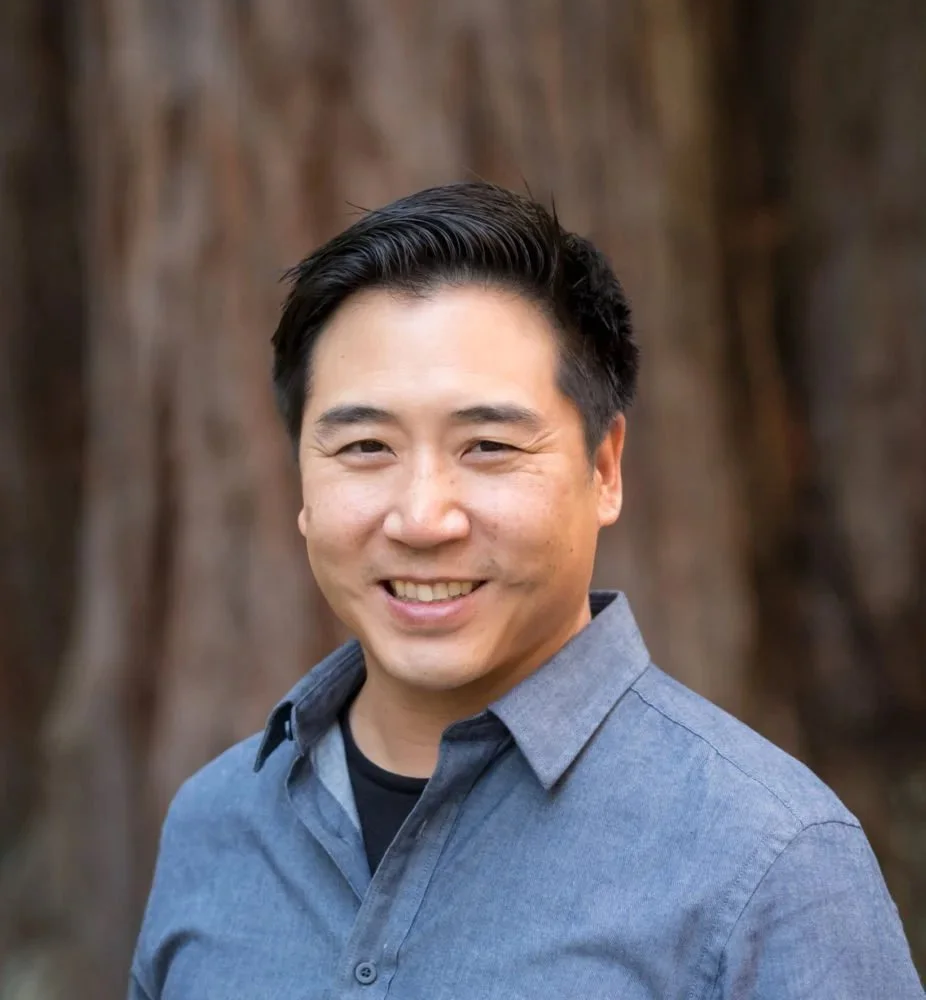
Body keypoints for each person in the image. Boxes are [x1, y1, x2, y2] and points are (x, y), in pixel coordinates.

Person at [129, 183, 923, 999]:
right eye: (366, 446)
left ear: (605, 468)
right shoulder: (216, 823)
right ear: (301, 478)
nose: (423, 517)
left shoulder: (770, 860)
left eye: (488, 446)